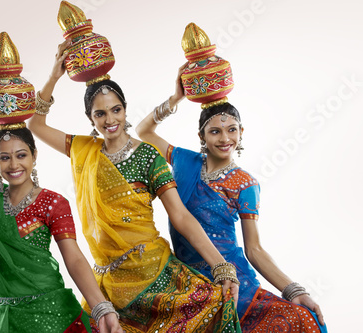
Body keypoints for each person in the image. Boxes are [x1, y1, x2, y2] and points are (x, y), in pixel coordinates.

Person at [28, 40, 242, 333]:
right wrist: (53, 77)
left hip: (154, 274)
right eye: (100, 114)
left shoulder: (148, 156)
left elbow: (179, 215)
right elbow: (35, 126)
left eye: (116, 110)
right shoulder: (82, 149)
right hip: (105, 283)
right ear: (91, 119)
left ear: (125, 110)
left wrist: (221, 265)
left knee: (213, 308)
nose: (110, 119)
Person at [136, 65, 327, 332]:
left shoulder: (245, 183)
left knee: (299, 321)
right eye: (215, 131)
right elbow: (143, 131)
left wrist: (293, 290)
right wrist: (175, 98)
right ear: (201, 136)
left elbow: (254, 249)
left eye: (232, 129)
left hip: (233, 281)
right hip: (186, 280)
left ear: (241, 131)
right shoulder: (184, 161)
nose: (225, 138)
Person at [0, 81, 123, 333]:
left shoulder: (53, 202)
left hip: (53, 316)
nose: (14, 164)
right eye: (4, 157)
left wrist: (101, 308)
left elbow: (74, 259)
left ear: (34, 156)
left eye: (21, 155)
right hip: (6, 320)